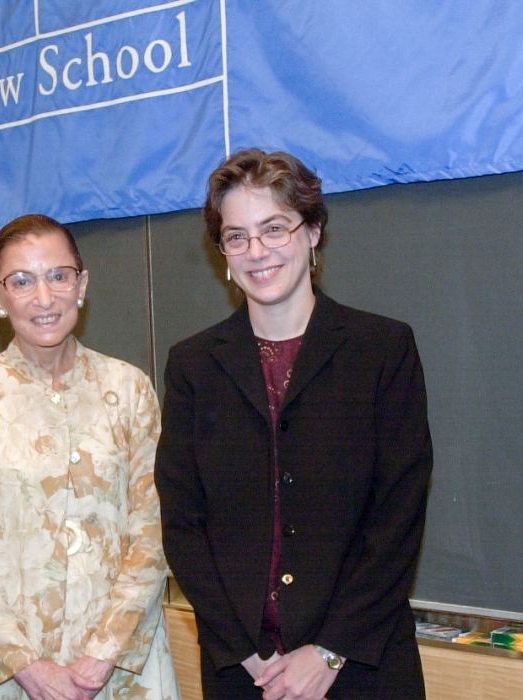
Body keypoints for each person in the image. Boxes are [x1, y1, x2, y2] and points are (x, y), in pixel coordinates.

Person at [154, 149, 432, 700]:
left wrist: (331, 649)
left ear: (313, 232)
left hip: (362, 664)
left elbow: (398, 516)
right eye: (237, 237)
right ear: (223, 254)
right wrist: (244, 651)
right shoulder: (193, 365)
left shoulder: (381, 349)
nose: (257, 251)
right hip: (244, 671)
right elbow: (183, 521)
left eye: (275, 228)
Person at [0, 214, 180, 700]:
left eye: (58, 276)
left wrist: (103, 653)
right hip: (12, 673)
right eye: (21, 281)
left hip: (121, 670)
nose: (43, 298)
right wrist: (27, 666)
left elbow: (152, 530)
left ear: (81, 284)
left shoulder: (129, 390)